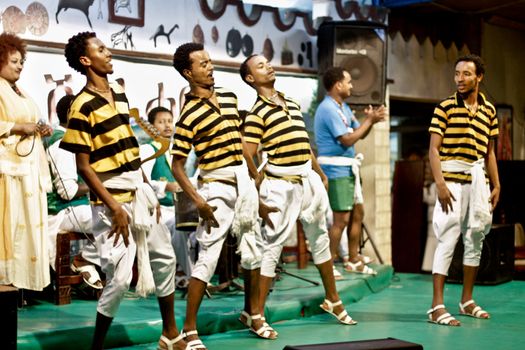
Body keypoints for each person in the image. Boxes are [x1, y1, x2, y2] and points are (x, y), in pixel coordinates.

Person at [60, 32, 185, 349]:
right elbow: (84, 167)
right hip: (111, 201)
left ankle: (170, 334)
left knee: (165, 260)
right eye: (101, 49)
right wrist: (114, 207)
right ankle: (97, 346)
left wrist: (147, 190)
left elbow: (131, 151)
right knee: (119, 277)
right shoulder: (81, 106)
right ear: (86, 60)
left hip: (139, 195)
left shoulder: (120, 96)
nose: (108, 51)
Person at [240, 54, 357, 331]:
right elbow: (248, 153)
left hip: (307, 179)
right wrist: (257, 181)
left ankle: (333, 299)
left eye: (268, 62)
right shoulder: (257, 113)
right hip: (280, 185)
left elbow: (303, 143)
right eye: (260, 66)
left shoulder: (290, 102)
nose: (268, 66)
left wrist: (319, 172)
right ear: (250, 79)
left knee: (319, 240)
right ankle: (256, 315)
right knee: (273, 247)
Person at [171, 42, 269, 348]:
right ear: (188, 72)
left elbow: (240, 144)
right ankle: (189, 330)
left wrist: (254, 177)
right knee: (208, 257)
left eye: (210, 61)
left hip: (242, 181)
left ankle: (253, 314)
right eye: (202, 64)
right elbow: (176, 165)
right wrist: (198, 201)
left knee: (253, 251)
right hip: (215, 186)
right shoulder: (188, 114)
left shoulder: (229, 96)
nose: (210, 66)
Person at [427, 54, 500, 326]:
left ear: (479, 77)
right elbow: (433, 149)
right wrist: (440, 183)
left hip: (478, 181)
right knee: (447, 237)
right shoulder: (445, 107)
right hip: (451, 182)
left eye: (466, 74)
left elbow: (489, 153)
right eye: (457, 73)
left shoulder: (489, 111)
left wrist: (497, 184)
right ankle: (436, 306)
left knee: (476, 237)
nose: (460, 78)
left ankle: (467, 300)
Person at [314, 67, 386, 278]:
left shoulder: (342, 106)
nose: (352, 85)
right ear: (338, 85)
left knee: (358, 213)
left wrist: (369, 121)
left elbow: (358, 134)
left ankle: (353, 259)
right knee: (340, 220)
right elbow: (346, 139)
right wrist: (369, 121)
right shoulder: (327, 108)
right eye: (348, 81)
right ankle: (328, 263)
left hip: (349, 167)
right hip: (335, 169)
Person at [0, 32, 52, 292]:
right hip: (8, 170)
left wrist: (40, 128)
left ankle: (20, 286)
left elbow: (32, 121)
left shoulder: (19, 91)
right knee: (10, 224)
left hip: (28, 165)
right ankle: (6, 281)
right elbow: (14, 124)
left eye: (22, 61)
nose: (20, 66)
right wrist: (18, 126)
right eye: (14, 61)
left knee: (27, 224)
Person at [46, 94, 103, 290]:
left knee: (123, 213)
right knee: (113, 217)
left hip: (78, 208)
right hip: (63, 211)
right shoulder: (62, 145)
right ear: (72, 114)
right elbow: (67, 192)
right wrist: (100, 183)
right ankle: (83, 259)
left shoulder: (74, 141)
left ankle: (86, 261)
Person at [139, 106, 194, 289]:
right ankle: (193, 277)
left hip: (176, 207)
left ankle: (189, 272)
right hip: (157, 210)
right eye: (161, 122)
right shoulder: (148, 149)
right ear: (152, 127)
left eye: (170, 121)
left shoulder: (175, 150)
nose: (167, 126)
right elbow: (142, 181)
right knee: (179, 227)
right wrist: (165, 186)